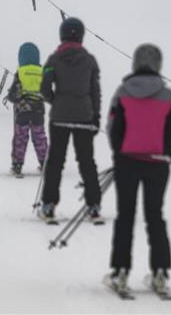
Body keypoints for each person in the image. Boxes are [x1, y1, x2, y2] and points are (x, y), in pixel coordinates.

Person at [105, 43, 171, 296]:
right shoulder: (168, 96)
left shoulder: (122, 92)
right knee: (155, 216)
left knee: (125, 216)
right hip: (157, 162)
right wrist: (167, 154)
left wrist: (118, 152)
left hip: (127, 161)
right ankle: (160, 272)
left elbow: (113, 127)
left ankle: (120, 271)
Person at [37, 17, 102, 222]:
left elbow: (44, 88)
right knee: (87, 162)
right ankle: (93, 206)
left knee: (55, 162)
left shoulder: (54, 59)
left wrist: (55, 101)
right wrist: (95, 116)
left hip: (60, 117)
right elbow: (95, 92)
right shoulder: (90, 60)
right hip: (84, 116)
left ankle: (49, 205)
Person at [6, 42, 49, 177]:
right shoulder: (42, 73)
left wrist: (13, 98)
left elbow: (14, 94)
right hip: (38, 112)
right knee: (40, 137)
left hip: (22, 112)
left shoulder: (20, 73)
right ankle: (45, 163)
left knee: (20, 138)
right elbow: (47, 93)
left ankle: (17, 166)